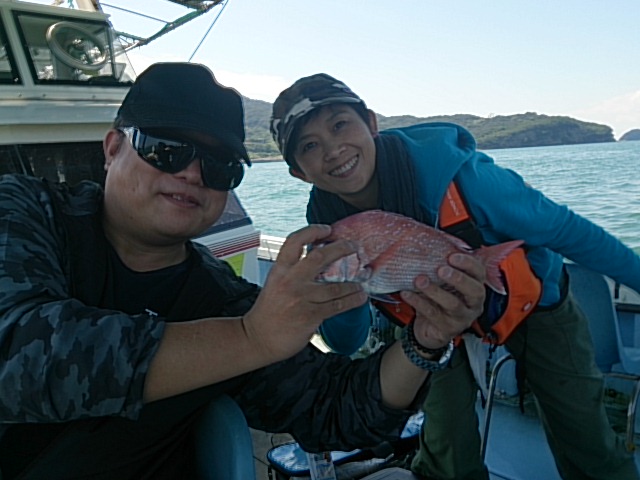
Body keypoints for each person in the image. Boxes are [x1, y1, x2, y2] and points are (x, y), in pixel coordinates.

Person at [0, 63, 487, 480]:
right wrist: (251, 338)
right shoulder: (23, 210)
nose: (192, 173)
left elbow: (337, 409)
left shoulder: (222, 298)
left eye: (219, 166)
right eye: (166, 149)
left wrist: (424, 340)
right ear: (112, 148)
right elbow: (16, 352)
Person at [270, 73, 640, 480]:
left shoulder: (464, 179)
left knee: (583, 432)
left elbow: (568, 231)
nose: (333, 149)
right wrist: (343, 290)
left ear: (371, 123)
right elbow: (346, 341)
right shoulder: (324, 226)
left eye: (340, 124)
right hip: (427, 321)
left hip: (532, 303)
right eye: (309, 146)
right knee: (446, 448)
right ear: (298, 172)